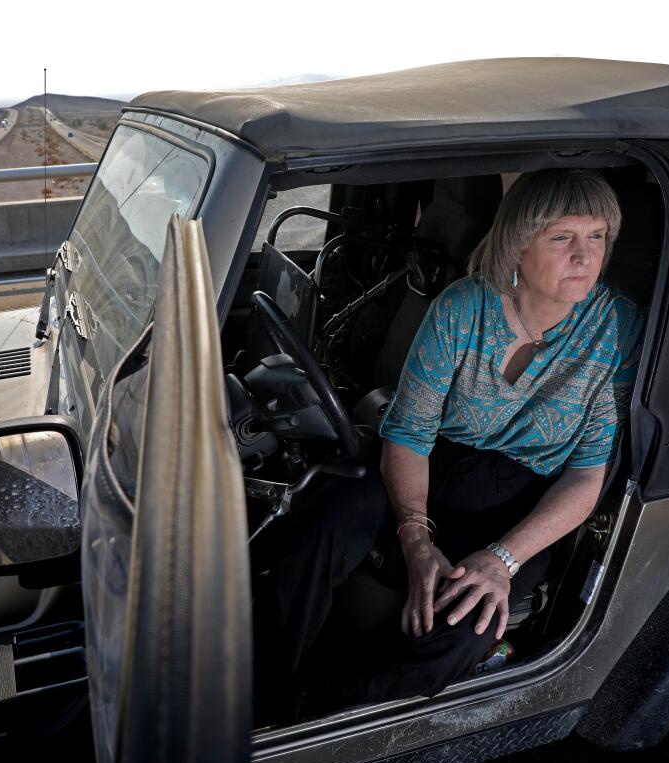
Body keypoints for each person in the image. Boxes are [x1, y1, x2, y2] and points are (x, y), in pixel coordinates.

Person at [253, 169, 644, 722]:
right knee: (318, 524)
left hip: (520, 501)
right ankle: (259, 690)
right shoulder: (464, 307)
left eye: (597, 237)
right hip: (427, 465)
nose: (584, 255)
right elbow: (409, 432)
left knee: (469, 625)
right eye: (562, 237)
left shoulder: (618, 327)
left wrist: (502, 560)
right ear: (520, 242)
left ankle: (320, 713)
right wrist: (415, 539)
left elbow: (587, 475)